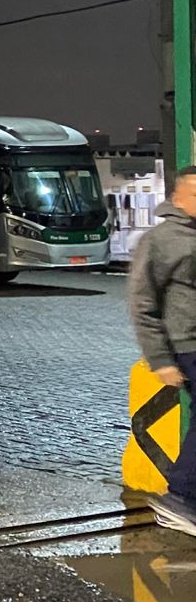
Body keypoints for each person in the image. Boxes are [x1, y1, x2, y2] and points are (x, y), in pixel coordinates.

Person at [128, 166, 196, 535]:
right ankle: (180, 499)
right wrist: (160, 360)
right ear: (177, 198)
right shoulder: (160, 240)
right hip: (187, 347)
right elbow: (142, 302)